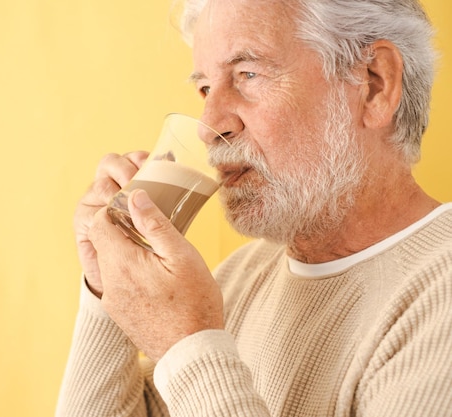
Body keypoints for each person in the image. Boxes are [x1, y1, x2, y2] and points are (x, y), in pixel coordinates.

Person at [56, 0, 452, 416]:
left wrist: (188, 341)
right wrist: (107, 288)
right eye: (206, 88)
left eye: (248, 74)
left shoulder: (438, 292)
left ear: (373, 84)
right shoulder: (238, 278)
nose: (211, 125)